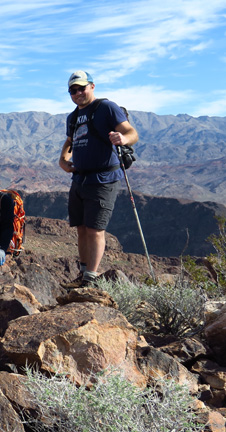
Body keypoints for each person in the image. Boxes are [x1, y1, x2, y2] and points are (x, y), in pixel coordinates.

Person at [59, 71, 139, 287]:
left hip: (103, 179)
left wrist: (123, 138)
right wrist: (63, 160)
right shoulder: (73, 117)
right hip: (80, 180)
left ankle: (91, 279)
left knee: (95, 229)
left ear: (92, 86)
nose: (77, 93)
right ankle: (84, 273)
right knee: (82, 228)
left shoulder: (106, 108)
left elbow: (132, 132)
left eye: (81, 88)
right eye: (72, 90)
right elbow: (69, 141)